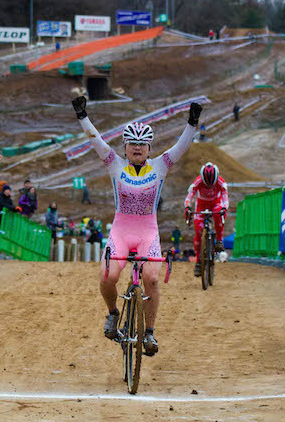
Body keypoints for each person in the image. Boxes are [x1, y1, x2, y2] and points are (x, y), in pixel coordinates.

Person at [71, 95, 201, 356]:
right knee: (108, 276)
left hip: (147, 233)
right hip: (121, 231)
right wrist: (82, 116)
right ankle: (112, 313)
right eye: (132, 144)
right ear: (125, 147)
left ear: (150, 148)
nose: (137, 148)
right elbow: (95, 140)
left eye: (142, 144)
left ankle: (149, 332)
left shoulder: (161, 166)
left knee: (151, 278)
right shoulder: (114, 164)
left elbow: (181, 146)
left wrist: (192, 123)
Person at [184, 162, 229, 277]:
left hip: (216, 203)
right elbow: (189, 196)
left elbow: (225, 198)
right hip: (201, 205)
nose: (209, 186)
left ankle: (219, 241)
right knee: (198, 233)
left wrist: (224, 208)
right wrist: (187, 207)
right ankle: (198, 261)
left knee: (220, 215)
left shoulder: (221, 182)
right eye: (207, 184)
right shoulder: (198, 182)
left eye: (211, 184)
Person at [0, 185, 21, 253]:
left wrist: (16, 209)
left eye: (9, 190)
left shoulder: (9, 199)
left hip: (5, 220)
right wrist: (14, 208)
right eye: (7, 190)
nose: (8, 192)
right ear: (4, 191)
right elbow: (3, 204)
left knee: (4, 235)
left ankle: (1, 250)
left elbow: (10, 206)